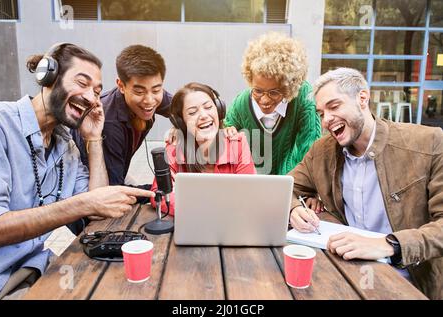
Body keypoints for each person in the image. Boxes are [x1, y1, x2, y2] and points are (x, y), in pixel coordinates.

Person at [0, 43, 153, 300]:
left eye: (97, 91)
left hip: (34, 272)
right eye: (82, 83)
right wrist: (79, 205)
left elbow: (97, 205)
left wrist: (94, 138)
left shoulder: (66, 145)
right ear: (48, 77)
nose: (91, 98)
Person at [288, 67, 443, 300]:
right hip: (345, 273)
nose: (327, 120)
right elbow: (282, 188)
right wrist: (294, 208)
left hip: (412, 281)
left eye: (334, 106)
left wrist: (390, 245)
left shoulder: (428, 142)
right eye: (321, 113)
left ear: (362, 98)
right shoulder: (321, 152)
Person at [73, 44, 172, 186]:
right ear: (121, 86)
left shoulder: (151, 95)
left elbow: (183, 108)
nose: (150, 100)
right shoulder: (108, 124)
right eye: (139, 92)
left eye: (156, 90)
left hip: (116, 170)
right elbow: (114, 189)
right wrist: (159, 190)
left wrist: (177, 125)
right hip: (90, 182)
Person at [151, 82, 257, 214]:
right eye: (192, 112)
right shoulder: (173, 149)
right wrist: (207, 208)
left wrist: (196, 204)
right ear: (181, 122)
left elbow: (248, 194)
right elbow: (158, 195)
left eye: (208, 107)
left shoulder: (238, 143)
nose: (204, 115)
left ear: (219, 110)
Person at [224, 32, 321, 175]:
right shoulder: (241, 104)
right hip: (251, 183)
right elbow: (225, 133)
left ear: (289, 87)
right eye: (258, 91)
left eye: (274, 92)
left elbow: (309, 150)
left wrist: (288, 187)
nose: (264, 100)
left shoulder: (304, 98)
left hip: (292, 183)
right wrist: (227, 131)